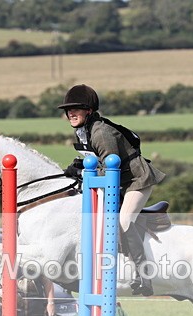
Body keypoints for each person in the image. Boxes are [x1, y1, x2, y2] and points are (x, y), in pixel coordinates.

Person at [58, 84, 166, 297]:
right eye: (68, 110)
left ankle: (144, 274)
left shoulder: (100, 132)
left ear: (88, 110)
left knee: (124, 221)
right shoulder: (86, 131)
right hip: (119, 180)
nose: (71, 113)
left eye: (76, 108)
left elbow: (109, 170)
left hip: (137, 180)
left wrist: (83, 172)